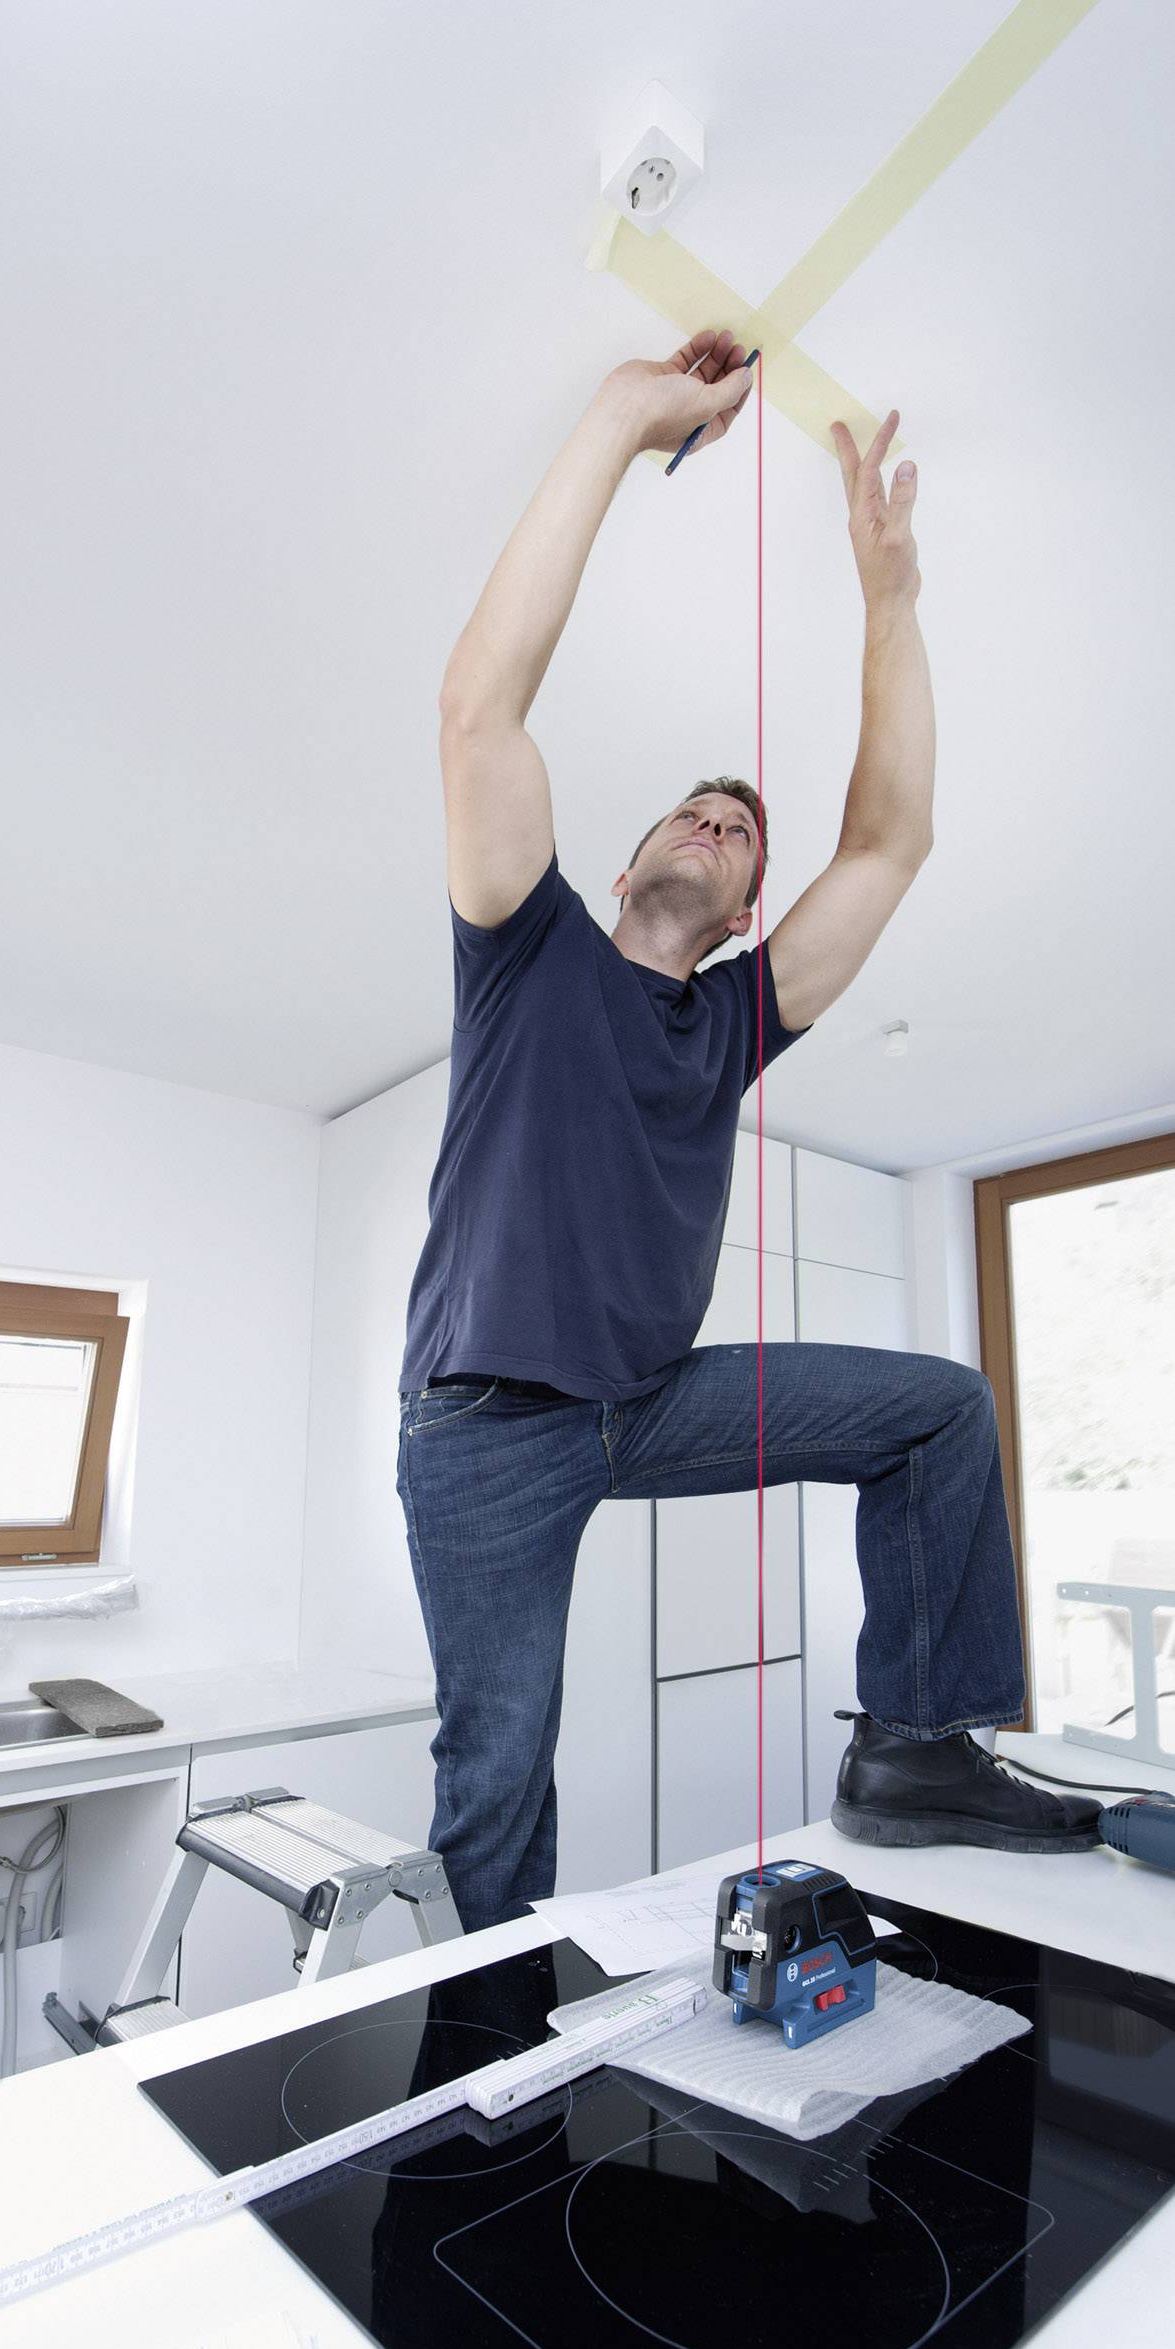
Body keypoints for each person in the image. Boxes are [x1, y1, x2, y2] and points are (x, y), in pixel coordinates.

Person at [397, 329, 1099, 1937]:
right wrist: (618, 420)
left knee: (938, 1413)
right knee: (495, 1767)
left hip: (647, 1405)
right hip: (483, 1429)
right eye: (692, 810)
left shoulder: (734, 1023)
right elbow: (474, 710)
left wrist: (890, 596)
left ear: (739, 915)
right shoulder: (524, 949)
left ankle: (917, 1749)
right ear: (633, 850)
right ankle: (495, 2035)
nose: (716, 824)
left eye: (742, 832)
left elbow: (892, 834)